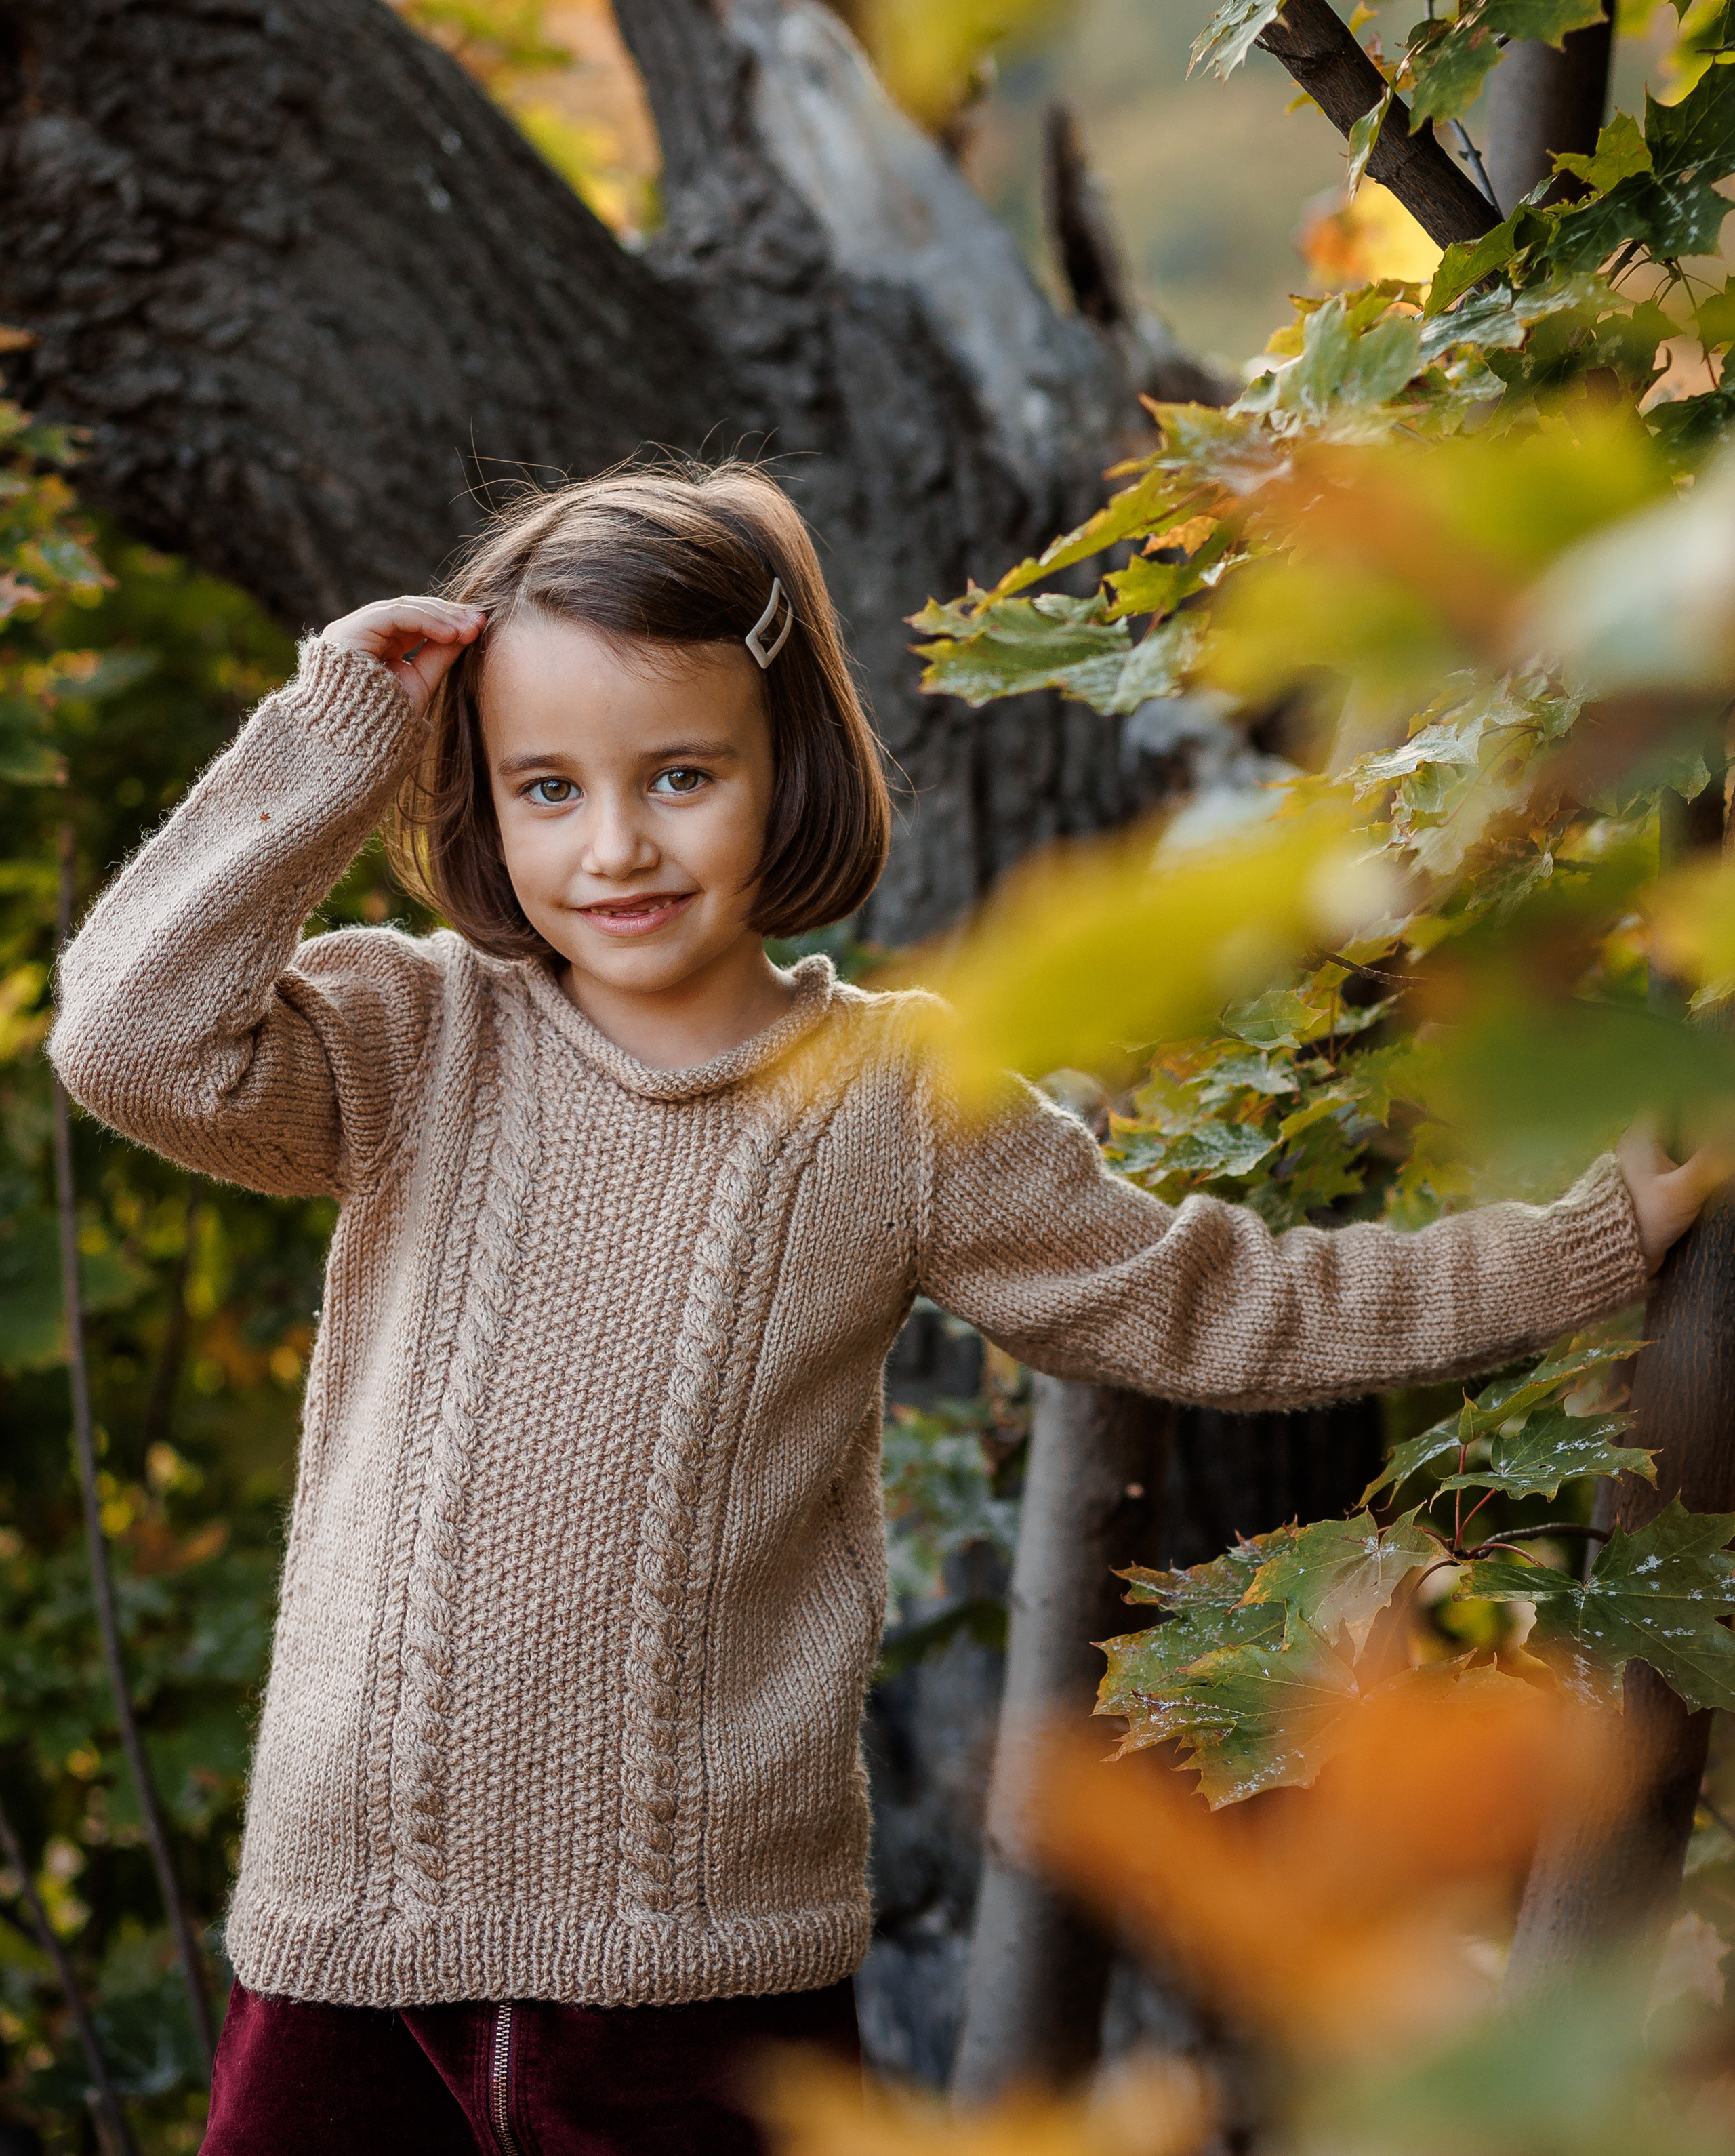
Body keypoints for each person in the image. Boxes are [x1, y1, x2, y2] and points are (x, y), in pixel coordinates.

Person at [50, 460, 1715, 2155]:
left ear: (788, 769)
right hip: (345, 1951)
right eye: (542, 787)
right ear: (476, 799)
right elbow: (127, 1042)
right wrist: (330, 740)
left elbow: (1217, 1305)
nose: (613, 843)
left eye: (680, 775)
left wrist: (1588, 1242)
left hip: (696, 1977)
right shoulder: (413, 1041)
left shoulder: (899, 1102)